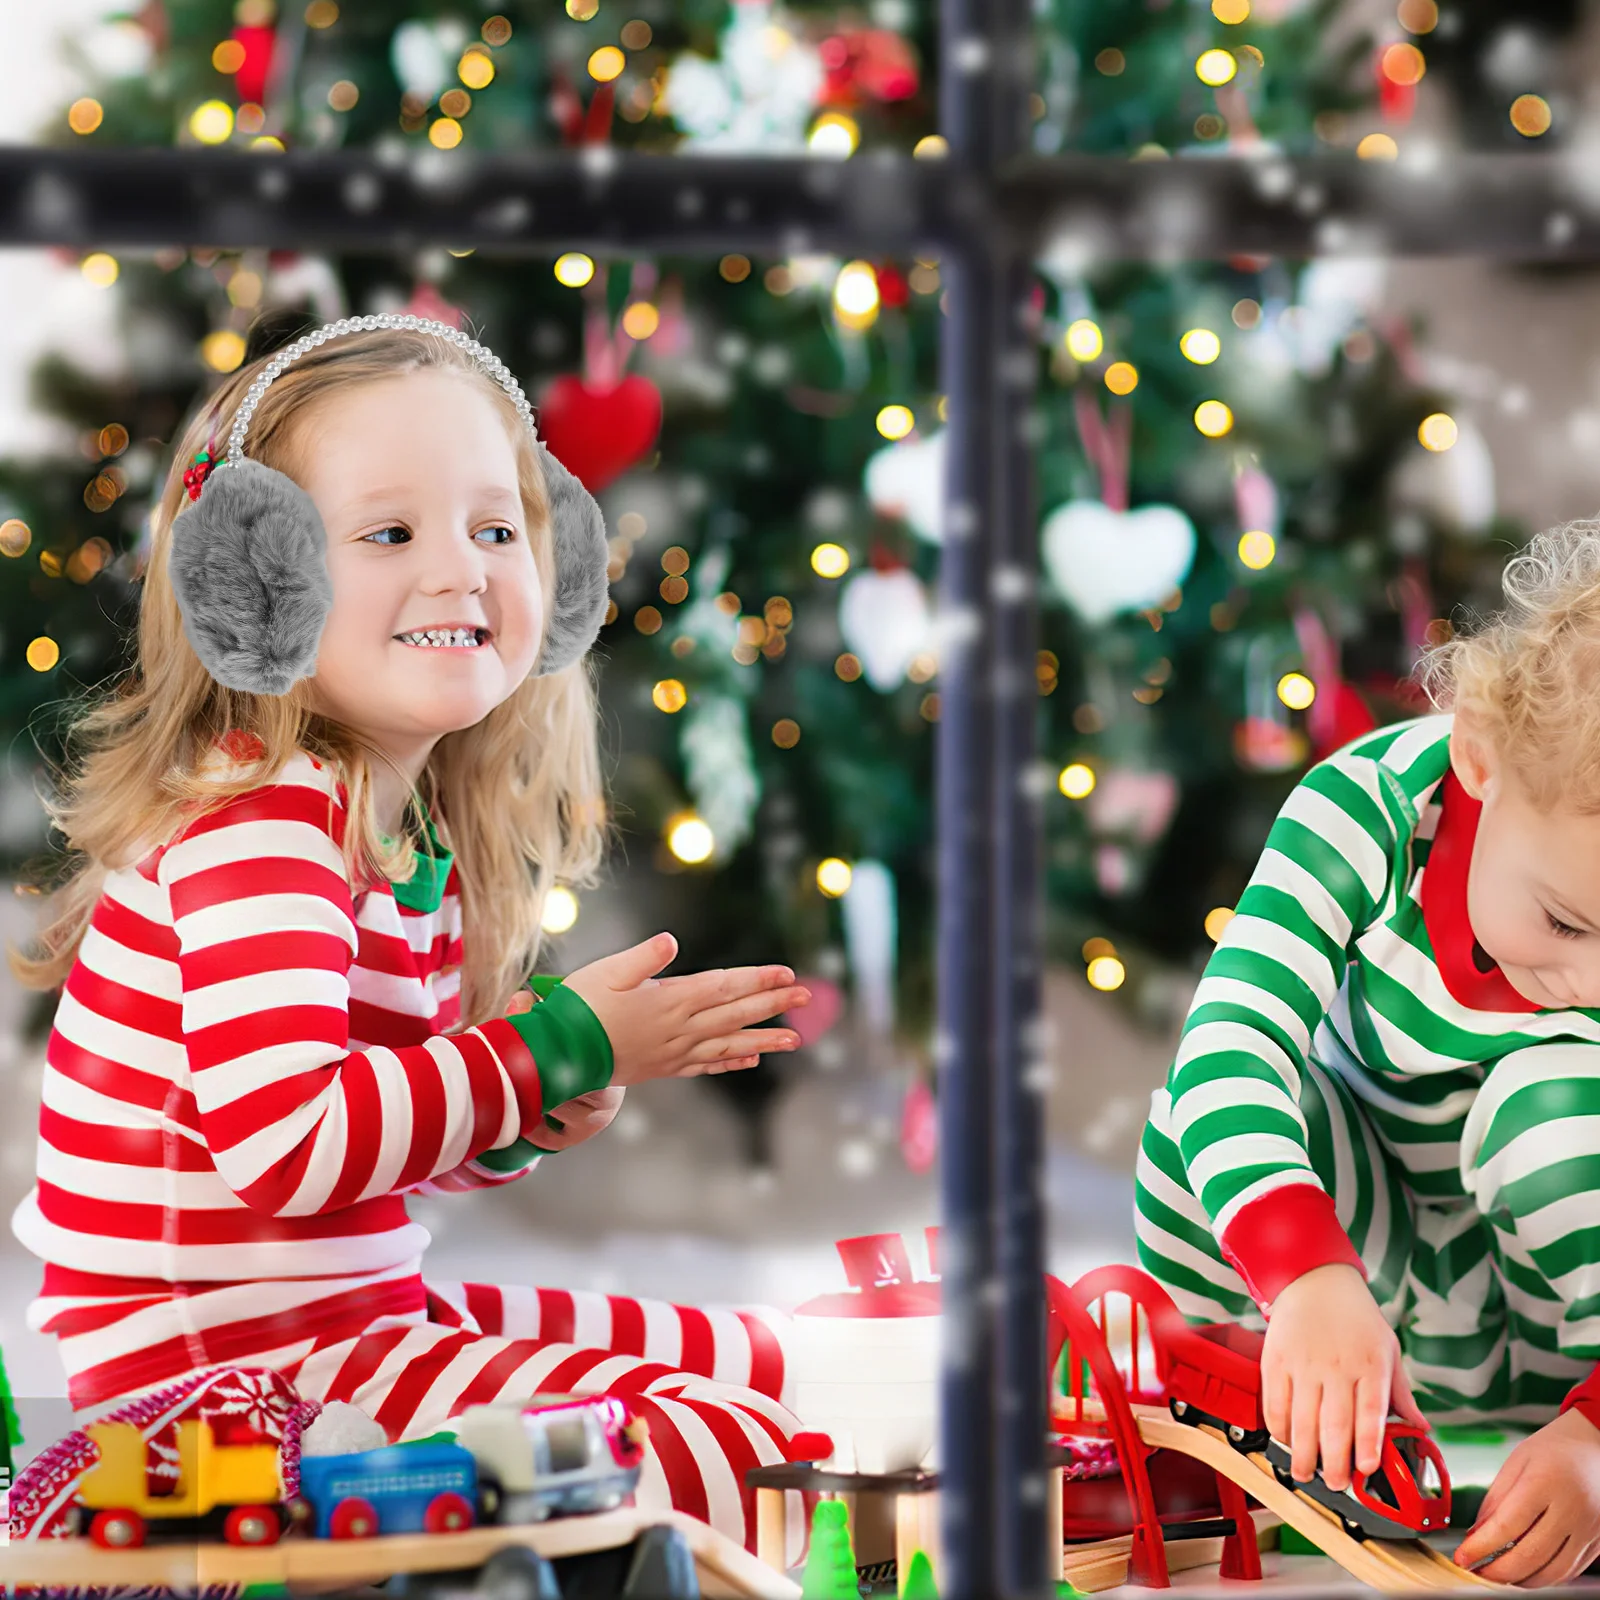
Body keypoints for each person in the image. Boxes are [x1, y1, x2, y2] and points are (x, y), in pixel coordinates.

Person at [6, 316, 813, 1554]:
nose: (461, 571)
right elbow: (287, 1147)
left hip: (336, 1318)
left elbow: (371, 1141)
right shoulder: (266, 832)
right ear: (256, 584)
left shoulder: (386, 824)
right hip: (223, 1394)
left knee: (743, 1348)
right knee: (737, 1440)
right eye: (390, 534)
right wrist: (548, 1048)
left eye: (497, 529)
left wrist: (520, 1116)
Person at [1135, 519, 1600, 1586]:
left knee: (1558, 1102)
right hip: (1360, 1296)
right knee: (1193, 1126)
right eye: (1567, 925)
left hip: (1556, 1337)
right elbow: (1229, 1048)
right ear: (1478, 755)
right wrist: (1303, 1277)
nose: (1584, 984)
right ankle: (1266, 1431)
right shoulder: (1369, 807)